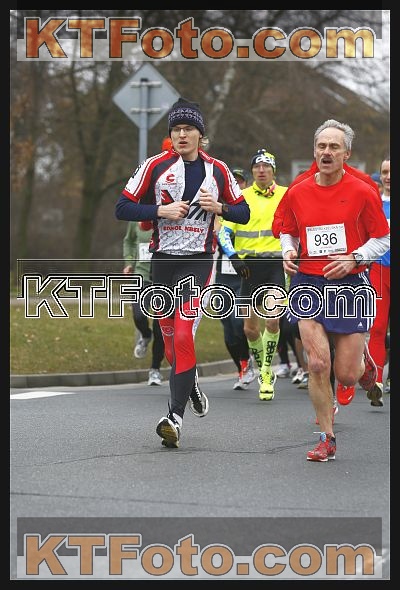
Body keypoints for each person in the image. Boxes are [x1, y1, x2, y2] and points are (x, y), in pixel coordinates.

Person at [115, 97, 250, 448]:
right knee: (171, 344)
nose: (182, 135)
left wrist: (219, 207)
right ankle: (190, 385)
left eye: (188, 128)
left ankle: (174, 417)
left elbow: (244, 212)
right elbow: (122, 207)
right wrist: (160, 210)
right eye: (176, 129)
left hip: (198, 262)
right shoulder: (153, 166)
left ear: (200, 134)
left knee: (184, 333)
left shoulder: (218, 170)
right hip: (162, 261)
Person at [275, 119, 390, 462]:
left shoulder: (362, 191)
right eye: (322, 146)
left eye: (334, 147)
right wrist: (288, 251)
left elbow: (383, 238)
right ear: (315, 151)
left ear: (346, 154)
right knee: (317, 363)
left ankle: (364, 368)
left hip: (349, 286)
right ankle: (327, 438)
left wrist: (354, 258)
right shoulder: (298, 191)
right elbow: (287, 230)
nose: (327, 152)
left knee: (346, 375)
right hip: (308, 283)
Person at [218, 149, 287, 401]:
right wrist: (233, 256)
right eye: (257, 166)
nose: (261, 170)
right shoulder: (241, 197)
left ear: (273, 170)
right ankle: (262, 367)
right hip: (248, 267)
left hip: (275, 265)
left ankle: (266, 373)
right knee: (249, 329)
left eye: (266, 166)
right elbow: (224, 232)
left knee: (272, 321)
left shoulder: (286, 195)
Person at [214, 214, 255, 391]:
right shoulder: (216, 211)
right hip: (223, 276)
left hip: (242, 275)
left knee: (237, 320)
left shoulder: (245, 211)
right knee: (228, 328)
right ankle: (242, 369)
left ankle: (246, 360)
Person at [122, 220, 165, 386]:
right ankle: (146, 335)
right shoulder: (136, 218)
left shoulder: (169, 216)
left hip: (163, 279)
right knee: (139, 315)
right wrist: (129, 262)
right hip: (141, 276)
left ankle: (155, 369)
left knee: (160, 328)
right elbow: (129, 241)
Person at [366, 156, 390, 406]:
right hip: (379, 271)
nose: (389, 177)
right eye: (384, 172)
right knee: (378, 327)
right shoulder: (374, 203)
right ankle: (377, 382)